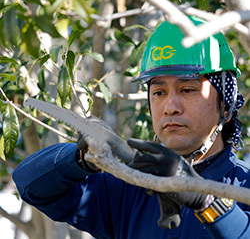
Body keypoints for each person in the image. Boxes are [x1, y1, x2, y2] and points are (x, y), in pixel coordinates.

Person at [13, 16, 250, 239]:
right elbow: (30, 184)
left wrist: (205, 199)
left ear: (225, 105)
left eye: (187, 89)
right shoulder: (129, 187)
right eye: (158, 92)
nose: (170, 107)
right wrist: (81, 158)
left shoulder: (245, 186)